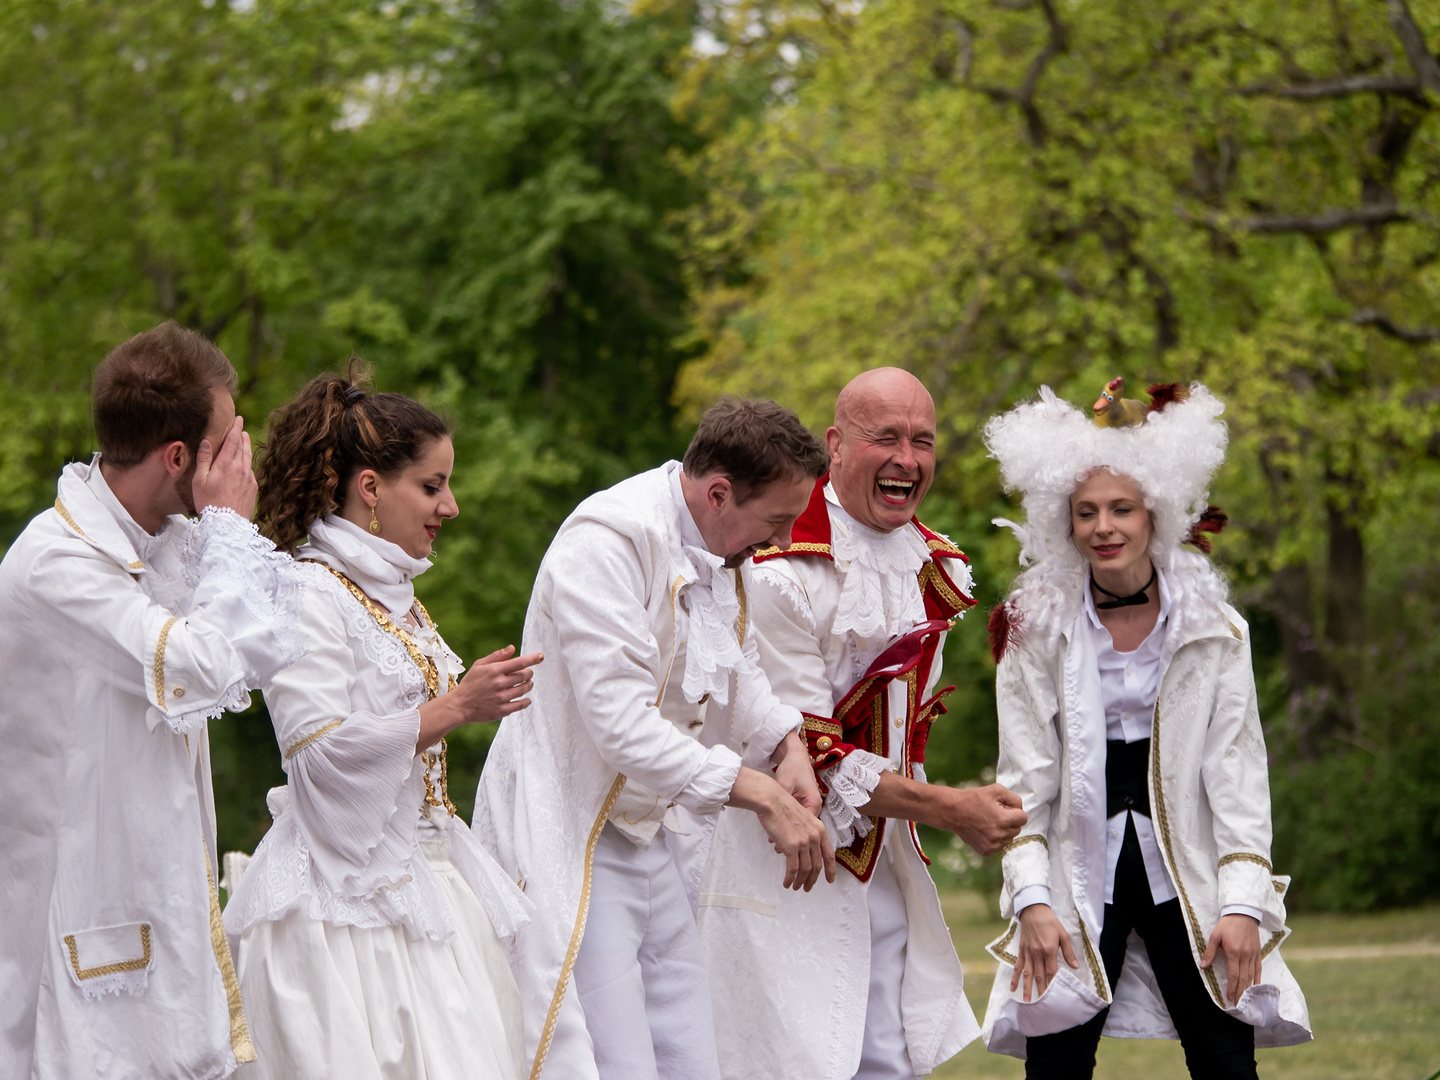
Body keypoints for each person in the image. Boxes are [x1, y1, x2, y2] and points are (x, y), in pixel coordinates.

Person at [473, 397, 837, 1080]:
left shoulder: (725, 549)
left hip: (650, 830)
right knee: (609, 1057)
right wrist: (757, 791)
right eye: (778, 521)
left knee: (688, 1047)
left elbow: (739, 664)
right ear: (720, 492)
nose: (780, 540)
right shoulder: (607, 540)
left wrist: (787, 746)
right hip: (570, 827)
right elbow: (619, 723)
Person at [697, 367, 1027, 1080]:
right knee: (787, 1054)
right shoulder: (778, 568)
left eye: (923, 441)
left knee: (885, 1054)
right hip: (779, 854)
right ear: (837, 446)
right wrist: (949, 809)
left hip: (883, 854)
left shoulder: (936, 564)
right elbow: (806, 754)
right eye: (887, 438)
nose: (908, 459)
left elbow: (902, 729)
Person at [978, 380, 1312, 1077]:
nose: (1105, 527)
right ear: (1062, 522)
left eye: (1122, 509)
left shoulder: (1216, 631)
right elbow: (1023, 781)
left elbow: (1239, 775)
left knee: (1226, 1063)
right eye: (1087, 512)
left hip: (1183, 876)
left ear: (1156, 514)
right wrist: (1033, 901)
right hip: (1078, 879)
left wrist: (1243, 904)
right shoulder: (1033, 631)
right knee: (1057, 1068)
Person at [0, 322, 306, 1079]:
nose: (240, 464)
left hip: (160, 899)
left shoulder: (157, 546)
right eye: (225, 443)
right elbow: (199, 662)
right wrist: (230, 525)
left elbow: (259, 649)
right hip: (79, 914)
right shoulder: (55, 564)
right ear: (179, 457)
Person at [223, 369, 537, 1080]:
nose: (450, 507)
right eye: (432, 486)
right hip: (339, 915)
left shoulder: (394, 596)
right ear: (370, 488)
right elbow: (318, 754)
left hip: (426, 888)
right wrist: (457, 705)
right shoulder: (307, 590)